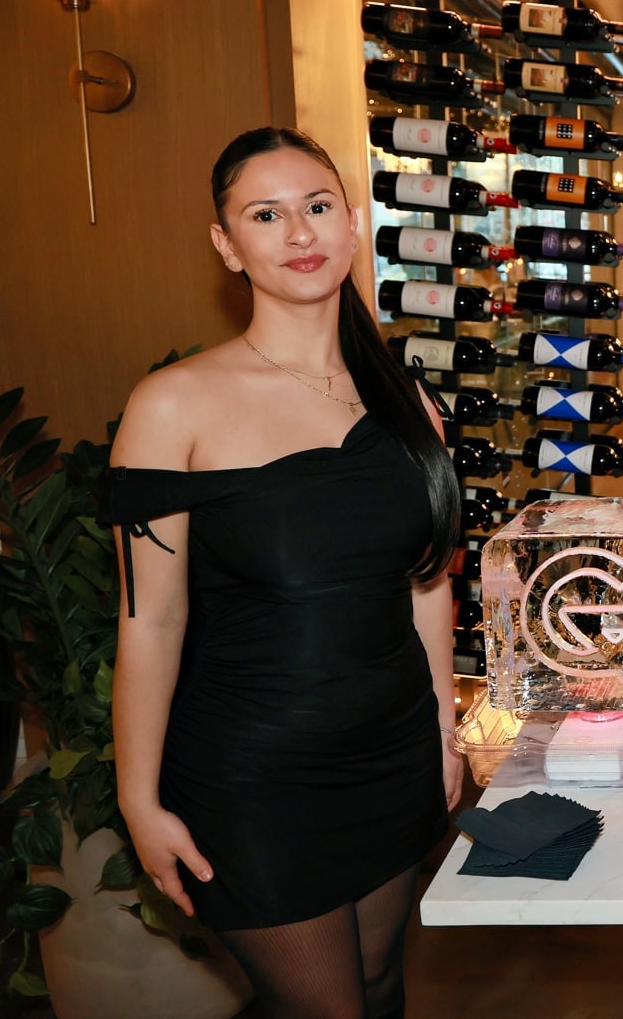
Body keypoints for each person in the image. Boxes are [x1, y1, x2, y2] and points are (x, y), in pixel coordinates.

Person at [107, 128, 463, 1018]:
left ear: (353, 224)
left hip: (391, 754)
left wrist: (445, 735)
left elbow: (426, 582)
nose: (298, 233)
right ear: (228, 245)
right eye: (265, 215)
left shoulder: (407, 401)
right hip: (250, 778)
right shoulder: (173, 405)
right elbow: (151, 622)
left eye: (316, 207)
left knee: (382, 989)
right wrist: (138, 800)